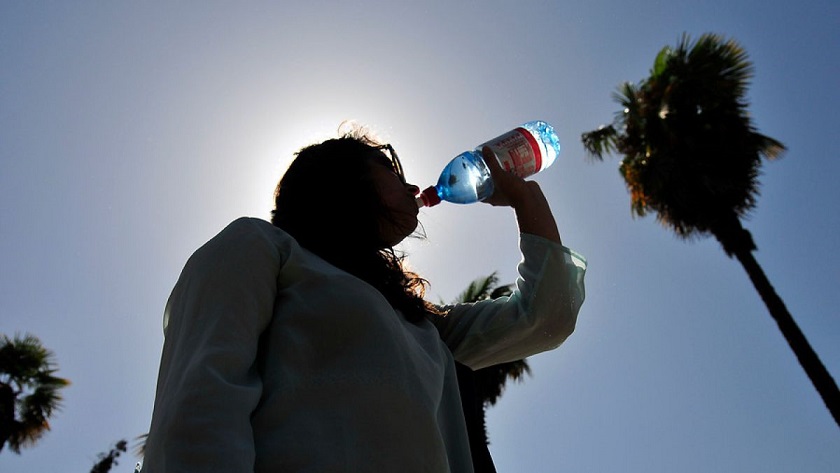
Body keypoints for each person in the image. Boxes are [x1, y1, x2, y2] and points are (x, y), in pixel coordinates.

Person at [141, 124, 587, 472]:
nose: (412, 188)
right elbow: (202, 402)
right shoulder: (259, 246)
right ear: (344, 181)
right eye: (392, 172)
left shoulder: (422, 327)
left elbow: (546, 316)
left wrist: (525, 198)